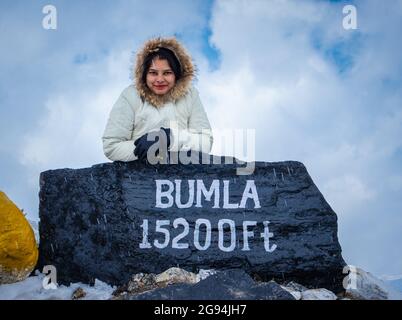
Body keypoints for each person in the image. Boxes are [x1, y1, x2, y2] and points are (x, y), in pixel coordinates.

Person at [102, 37, 213, 163]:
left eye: (167, 73)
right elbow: (111, 146)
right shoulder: (130, 96)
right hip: (137, 176)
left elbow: (205, 142)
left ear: (176, 75)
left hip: (181, 175)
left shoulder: (190, 96)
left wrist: (170, 138)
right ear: (144, 74)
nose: (160, 79)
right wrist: (147, 148)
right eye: (153, 73)